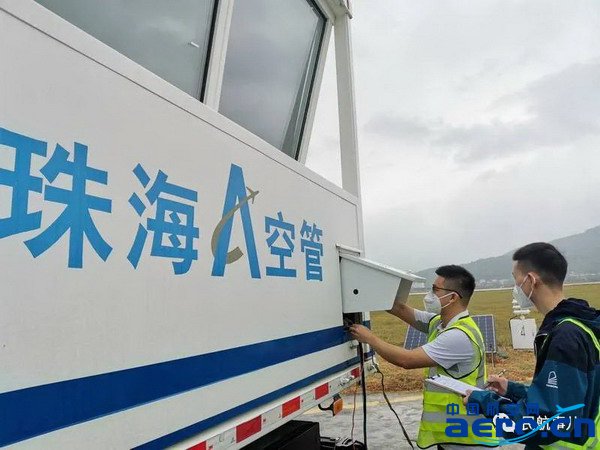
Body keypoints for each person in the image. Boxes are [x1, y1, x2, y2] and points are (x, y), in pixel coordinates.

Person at [465, 242, 600, 448]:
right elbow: (565, 394)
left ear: (530, 280)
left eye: (515, 279)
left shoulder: (565, 336)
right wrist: (512, 390)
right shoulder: (580, 324)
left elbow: (545, 422)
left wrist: (484, 401)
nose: (515, 288)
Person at [350, 265, 490, 449]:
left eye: (435, 290)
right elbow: (400, 309)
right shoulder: (440, 323)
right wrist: (363, 289)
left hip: (466, 438)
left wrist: (370, 338)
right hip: (452, 434)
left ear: (453, 297)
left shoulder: (459, 336)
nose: (429, 296)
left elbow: (406, 360)